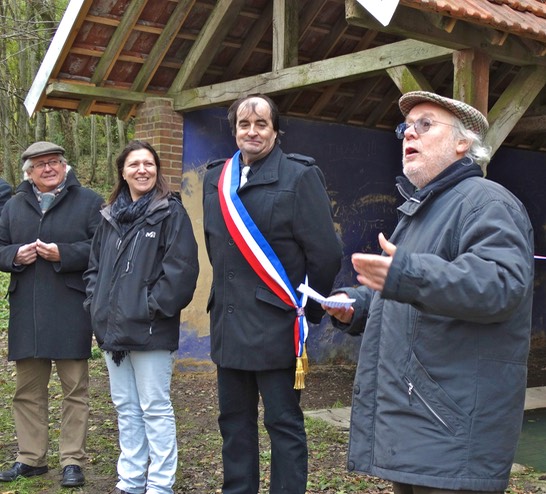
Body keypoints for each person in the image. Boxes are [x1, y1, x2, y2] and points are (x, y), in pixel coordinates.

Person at [326, 91, 534, 494]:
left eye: (425, 125)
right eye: (405, 127)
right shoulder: (424, 209)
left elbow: (499, 284)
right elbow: (419, 294)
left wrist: (405, 273)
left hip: (453, 430)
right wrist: (361, 306)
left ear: (463, 142)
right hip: (424, 428)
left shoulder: (487, 203)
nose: (409, 135)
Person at [203, 94, 342, 493]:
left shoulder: (299, 176)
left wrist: (305, 308)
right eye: (244, 125)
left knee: (282, 425)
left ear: (276, 131)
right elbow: (218, 248)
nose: (252, 132)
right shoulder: (217, 177)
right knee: (233, 424)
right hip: (228, 324)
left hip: (276, 326)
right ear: (234, 131)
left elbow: (326, 253)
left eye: (261, 124)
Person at [83, 140, 199, 494]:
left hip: (150, 330)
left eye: (149, 163)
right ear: (122, 171)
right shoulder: (109, 217)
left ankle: (160, 484)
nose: (142, 170)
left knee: (154, 408)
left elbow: (181, 273)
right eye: (134, 164)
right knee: (126, 409)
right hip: (112, 332)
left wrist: (149, 307)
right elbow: (94, 269)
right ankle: (131, 480)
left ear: (157, 169)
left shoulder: (170, 213)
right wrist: (97, 305)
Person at [0, 141, 104, 487]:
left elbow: (103, 248)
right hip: (26, 309)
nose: (48, 168)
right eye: (40, 164)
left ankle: (72, 460)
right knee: (28, 390)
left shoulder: (89, 202)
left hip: (71, 307)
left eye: (54, 162)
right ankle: (31, 459)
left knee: (75, 388)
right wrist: (15, 255)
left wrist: (65, 254)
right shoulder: (13, 206)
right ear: (28, 172)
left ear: (65, 166)